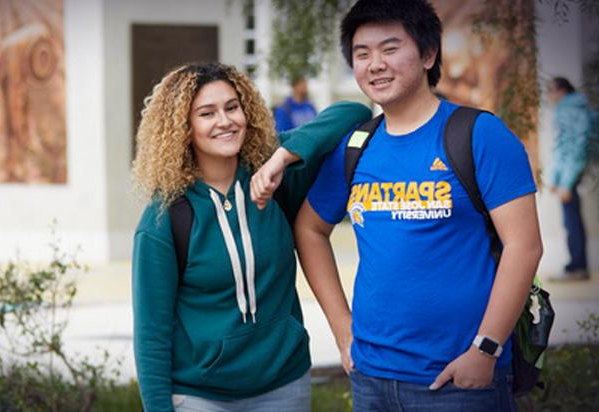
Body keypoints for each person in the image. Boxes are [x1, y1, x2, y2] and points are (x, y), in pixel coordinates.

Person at [292, 1, 543, 411]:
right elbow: (309, 229)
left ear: (428, 55)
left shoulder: (479, 134)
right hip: (371, 378)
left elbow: (525, 246)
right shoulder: (356, 147)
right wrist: (342, 332)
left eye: (390, 49)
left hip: (460, 379)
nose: (375, 64)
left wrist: (486, 349)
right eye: (362, 53)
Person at [131, 62, 370, 412]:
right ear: (184, 128)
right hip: (200, 395)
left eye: (232, 107)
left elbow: (354, 112)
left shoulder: (275, 178)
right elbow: (152, 334)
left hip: (284, 385)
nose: (225, 121)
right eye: (207, 113)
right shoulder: (165, 220)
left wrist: (283, 157)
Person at [546, 76, 591, 281]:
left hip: (569, 177)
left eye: (551, 90)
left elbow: (575, 148)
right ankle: (576, 264)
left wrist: (565, 182)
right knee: (571, 220)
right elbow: (563, 148)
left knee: (572, 222)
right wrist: (557, 179)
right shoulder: (573, 108)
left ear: (561, 90)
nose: (549, 95)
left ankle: (577, 267)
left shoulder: (569, 110)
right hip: (567, 176)